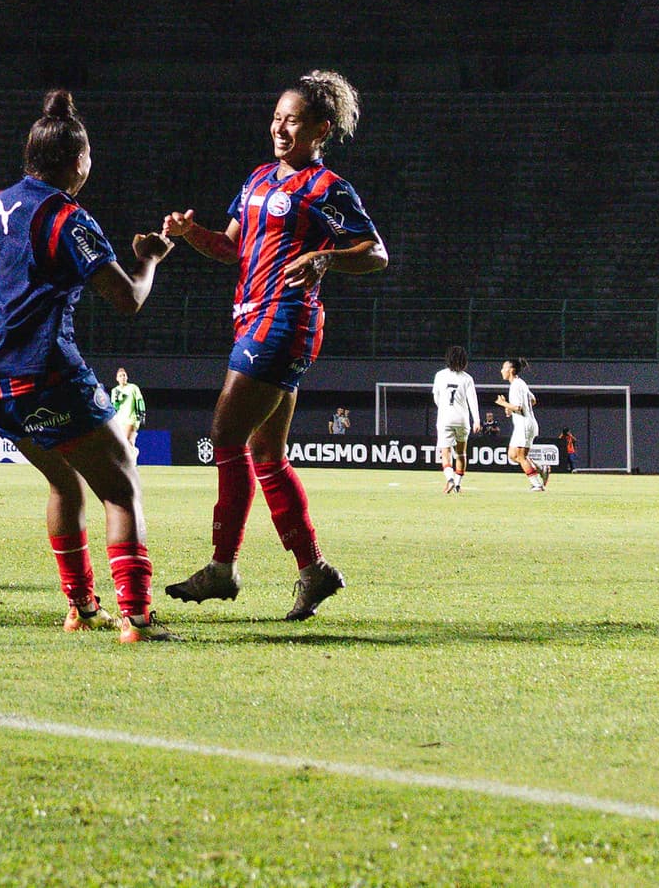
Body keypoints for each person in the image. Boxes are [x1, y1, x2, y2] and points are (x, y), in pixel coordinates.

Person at [161, 70, 388, 621]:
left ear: (320, 129)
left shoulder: (327, 188)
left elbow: (375, 252)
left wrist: (325, 258)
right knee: (265, 453)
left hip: (285, 320)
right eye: (276, 117)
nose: (280, 127)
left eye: (292, 120)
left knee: (224, 434)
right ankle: (314, 571)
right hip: (251, 319)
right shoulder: (258, 179)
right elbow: (232, 248)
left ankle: (222, 567)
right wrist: (193, 236)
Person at [0, 91, 177, 641]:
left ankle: (81, 607)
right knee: (122, 483)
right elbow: (128, 299)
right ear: (78, 162)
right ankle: (137, 617)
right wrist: (149, 259)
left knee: (64, 482)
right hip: (42, 374)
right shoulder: (65, 216)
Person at [432, 346, 478, 494]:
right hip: (462, 420)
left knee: (445, 454)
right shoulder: (467, 378)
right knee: (461, 453)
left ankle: (450, 479)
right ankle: (457, 484)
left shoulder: (440, 375)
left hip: (445, 418)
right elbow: (472, 401)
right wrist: (476, 420)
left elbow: (436, 397)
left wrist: (444, 408)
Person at [499, 358, 546, 491]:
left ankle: (537, 484)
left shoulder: (516, 385)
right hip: (524, 424)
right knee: (512, 455)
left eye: (504, 368)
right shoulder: (520, 383)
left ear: (511, 370)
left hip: (524, 425)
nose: (502, 370)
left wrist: (504, 404)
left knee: (520, 456)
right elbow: (533, 400)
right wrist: (510, 408)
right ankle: (540, 468)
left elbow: (519, 407)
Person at [108, 369, 145, 436]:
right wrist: (118, 400)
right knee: (129, 443)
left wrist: (142, 415)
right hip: (119, 420)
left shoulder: (133, 387)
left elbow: (140, 401)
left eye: (124, 375)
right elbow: (115, 407)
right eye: (120, 376)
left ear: (127, 377)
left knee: (125, 441)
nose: (122, 377)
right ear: (117, 378)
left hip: (131, 419)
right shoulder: (115, 390)